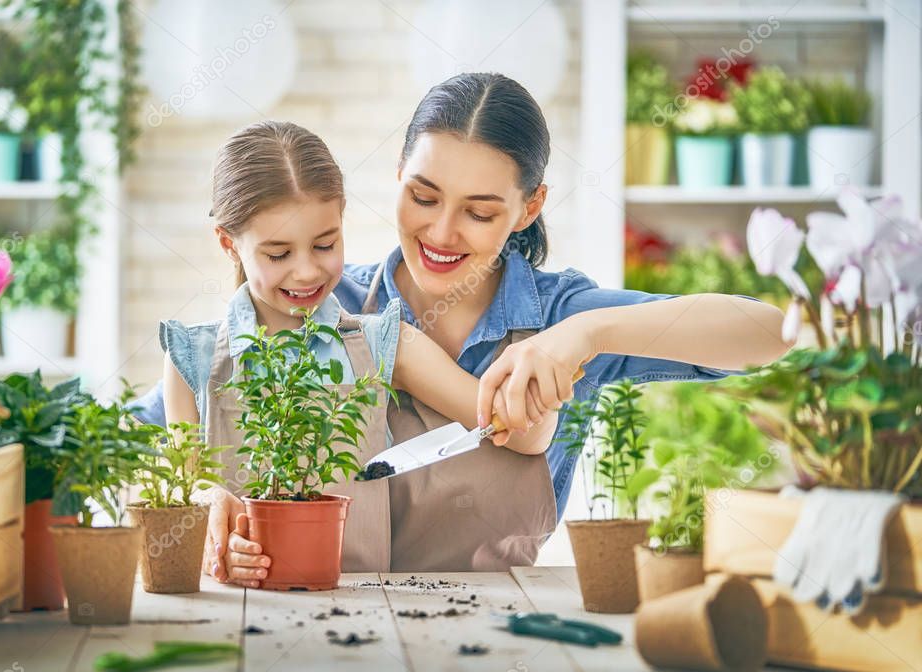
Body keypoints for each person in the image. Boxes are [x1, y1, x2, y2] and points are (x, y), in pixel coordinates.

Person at [132, 73, 791, 587]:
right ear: (396, 176)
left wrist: (587, 332)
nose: (442, 233)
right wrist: (195, 494)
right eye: (423, 196)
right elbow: (166, 426)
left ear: (530, 207)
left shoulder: (562, 316)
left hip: (492, 632)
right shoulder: (327, 302)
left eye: (479, 212)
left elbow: (777, 333)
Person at [159, 119, 558, 587]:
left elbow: (526, 436)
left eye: (325, 244)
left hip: (366, 614)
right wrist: (211, 509)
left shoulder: (386, 344)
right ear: (229, 244)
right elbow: (178, 492)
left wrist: (540, 380)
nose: (306, 271)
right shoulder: (192, 359)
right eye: (277, 254)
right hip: (238, 616)